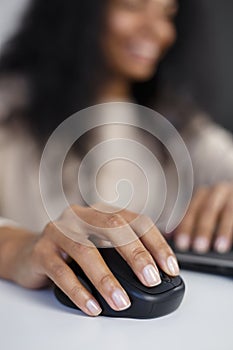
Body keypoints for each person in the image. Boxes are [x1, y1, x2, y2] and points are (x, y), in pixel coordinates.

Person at [0, 0, 232, 317]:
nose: (158, 30)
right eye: (134, 5)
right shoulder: (10, 107)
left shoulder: (179, 125)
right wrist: (16, 246)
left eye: (168, 14)